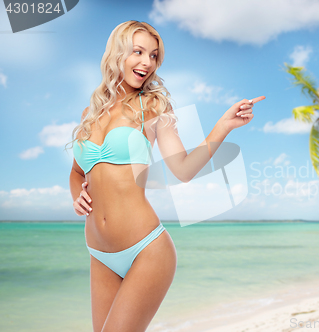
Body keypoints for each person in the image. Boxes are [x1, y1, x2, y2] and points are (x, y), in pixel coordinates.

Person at [66, 20, 265, 332]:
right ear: (117, 53)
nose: (147, 62)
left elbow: (183, 170)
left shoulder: (153, 107)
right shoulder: (90, 113)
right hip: (98, 254)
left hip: (146, 249)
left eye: (154, 55)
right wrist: (77, 193)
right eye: (139, 52)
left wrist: (223, 126)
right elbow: (78, 172)